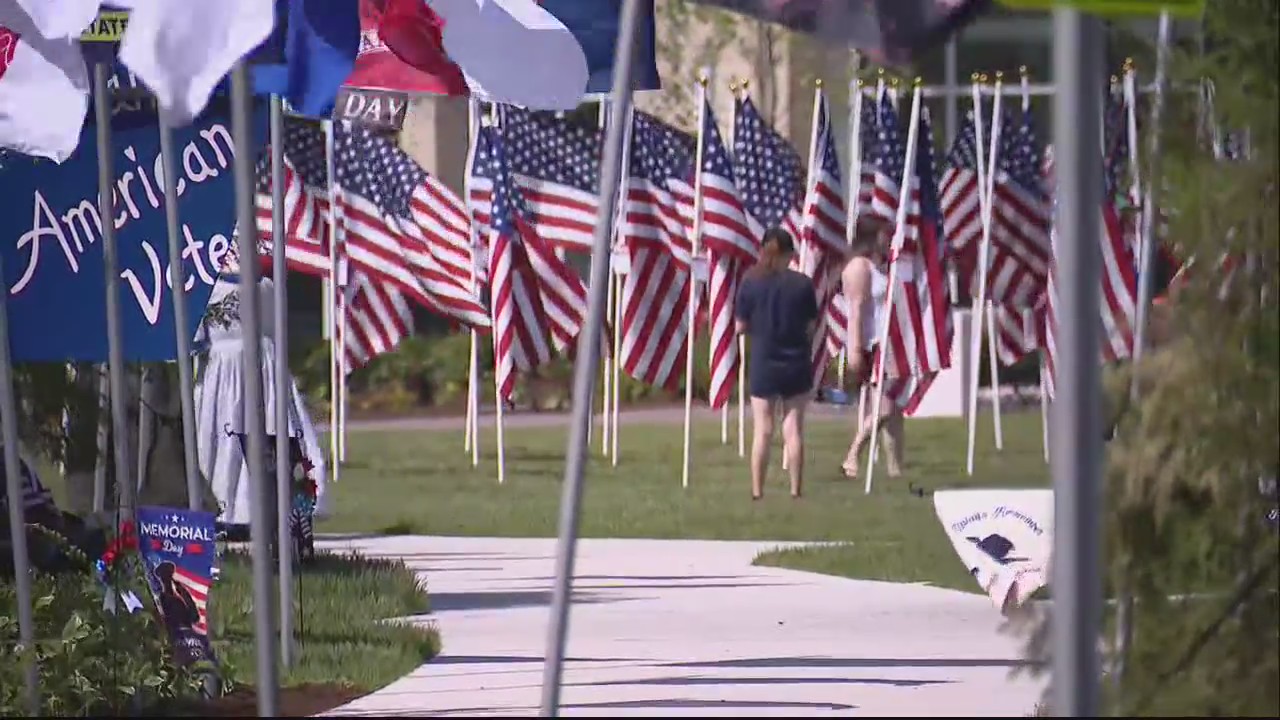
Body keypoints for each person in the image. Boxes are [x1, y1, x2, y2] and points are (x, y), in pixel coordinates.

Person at [735, 228, 820, 500]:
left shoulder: (750, 282)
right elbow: (811, 326)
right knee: (793, 428)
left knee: (763, 429)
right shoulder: (803, 285)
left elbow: (739, 326)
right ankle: (795, 490)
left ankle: (757, 491)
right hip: (796, 360)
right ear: (789, 254)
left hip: (764, 360)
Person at [839, 216, 904, 479]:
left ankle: (895, 468)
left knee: (894, 407)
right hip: (872, 343)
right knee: (885, 408)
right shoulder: (859, 267)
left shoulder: (880, 265)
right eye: (882, 234)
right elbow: (856, 309)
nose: (887, 239)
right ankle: (853, 454)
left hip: (888, 341)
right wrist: (855, 349)